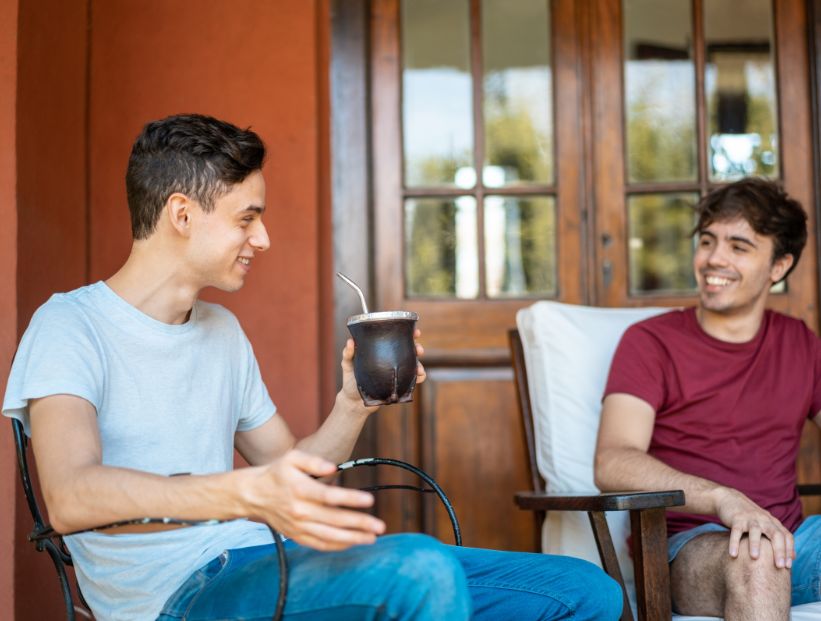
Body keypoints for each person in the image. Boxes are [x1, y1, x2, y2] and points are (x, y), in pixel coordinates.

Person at [3, 113, 622, 621]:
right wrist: (240, 494)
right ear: (182, 214)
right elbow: (70, 496)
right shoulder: (71, 325)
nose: (264, 239)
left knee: (585, 590)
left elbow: (292, 474)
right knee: (417, 571)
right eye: (247, 218)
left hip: (276, 558)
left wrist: (352, 402)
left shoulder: (221, 331)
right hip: (179, 593)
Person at [595, 177, 821, 619]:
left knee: (765, 549)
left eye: (739, 246)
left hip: (794, 541)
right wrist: (722, 498)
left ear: (779, 266)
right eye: (707, 241)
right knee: (757, 556)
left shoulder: (800, 343)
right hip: (687, 548)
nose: (714, 259)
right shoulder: (649, 343)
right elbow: (613, 461)